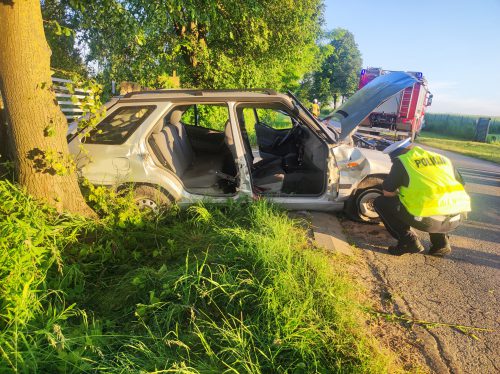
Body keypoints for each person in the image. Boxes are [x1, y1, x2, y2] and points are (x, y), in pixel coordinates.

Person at [374, 138, 471, 256]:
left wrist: (401, 194)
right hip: (457, 217)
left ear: (396, 155)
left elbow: (388, 193)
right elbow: (462, 184)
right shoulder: (443, 159)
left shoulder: (402, 161)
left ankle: (408, 241)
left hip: (429, 221)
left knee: (381, 202)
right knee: (437, 203)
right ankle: (441, 244)